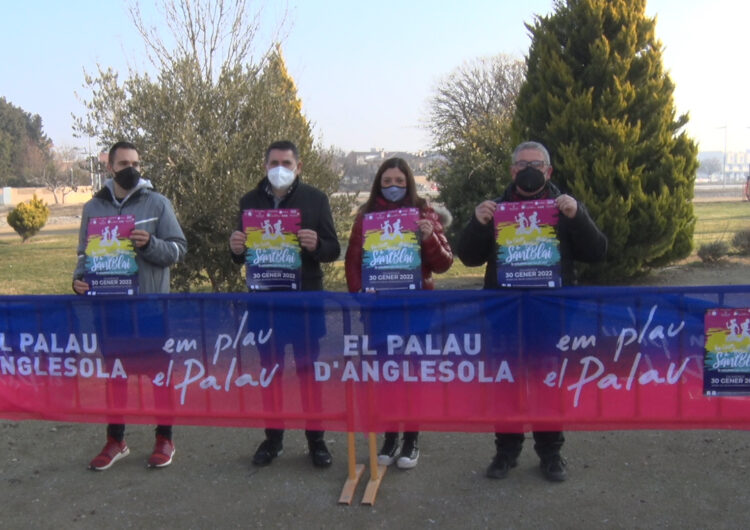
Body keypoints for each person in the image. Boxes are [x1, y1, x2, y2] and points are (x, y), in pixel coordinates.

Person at [457, 141, 607, 482]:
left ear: (548, 171)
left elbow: (598, 251)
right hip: (504, 315)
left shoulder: (564, 207)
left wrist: (578, 216)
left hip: (551, 315)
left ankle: (551, 454)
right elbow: (467, 257)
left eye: (536, 164)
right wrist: (478, 224)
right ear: (511, 171)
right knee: (505, 384)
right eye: (522, 164)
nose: (529, 169)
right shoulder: (495, 208)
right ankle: (506, 452)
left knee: (548, 385)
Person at [73, 141, 187, 470]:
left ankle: (165, 437)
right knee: (115, 377)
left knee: (160, 376)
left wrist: (151, 244)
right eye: (123, 163)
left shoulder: (158, 203)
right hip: (110, 312)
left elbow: (179, 249)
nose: (131, 168)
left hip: (151, 310)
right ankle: (116, 439)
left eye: (136, 162)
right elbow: (84, 255)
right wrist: (79, 280)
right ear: (110, 167)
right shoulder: (92, 208)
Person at [229, 140, 340, 468]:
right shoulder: (249, 201)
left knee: (308, 374)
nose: (280, 168)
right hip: (265, 304)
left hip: (304, 303)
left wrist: (318, 243)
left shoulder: (316, 200)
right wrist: (235, 247)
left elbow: (334, 250)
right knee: (270, 374)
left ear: (298, 167)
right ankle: (273, 438)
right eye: (274, 162)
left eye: (287, 163)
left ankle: (316, 441)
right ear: (265, 165)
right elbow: (239, 256)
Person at [345, 157, 453, 469]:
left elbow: (444, 263)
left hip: (417, 310)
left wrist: (429, 237)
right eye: (388, 181)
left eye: (400, 181)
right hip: (379, 311)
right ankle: (390, 437)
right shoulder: (366, 217)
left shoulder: (424, 213)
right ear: (379, 182)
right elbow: (353, 262)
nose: (394, 187)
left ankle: (411, 440)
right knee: (386, 376)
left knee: (413, 376)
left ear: (410, 183)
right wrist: (359, 295)